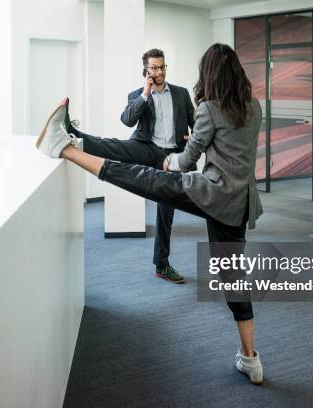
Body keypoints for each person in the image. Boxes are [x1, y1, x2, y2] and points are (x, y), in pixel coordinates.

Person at [36, 43, 265, 384]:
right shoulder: (255, 106)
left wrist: (172, 160)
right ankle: (252, 360)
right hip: (240, 203)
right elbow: (225, 147)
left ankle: (64, 148)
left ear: (210, 73)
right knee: (234, 278)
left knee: (143, 179)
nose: (158, 72)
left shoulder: (207, 108)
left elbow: (187, 160)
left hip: (208, 191)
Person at [65, 48, 195, 284]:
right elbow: (127, 120)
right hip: (146, 147)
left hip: (171, 155)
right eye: (154, 67)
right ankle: (74, 134)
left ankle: (162, 265)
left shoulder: (181, 93)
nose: (159, 71)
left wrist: (193, 140)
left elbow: (196, 122)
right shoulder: (137, 94)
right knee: (114, 147)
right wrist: (145, 93)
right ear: (145, 70)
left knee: (167, 208)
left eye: (162, 66)